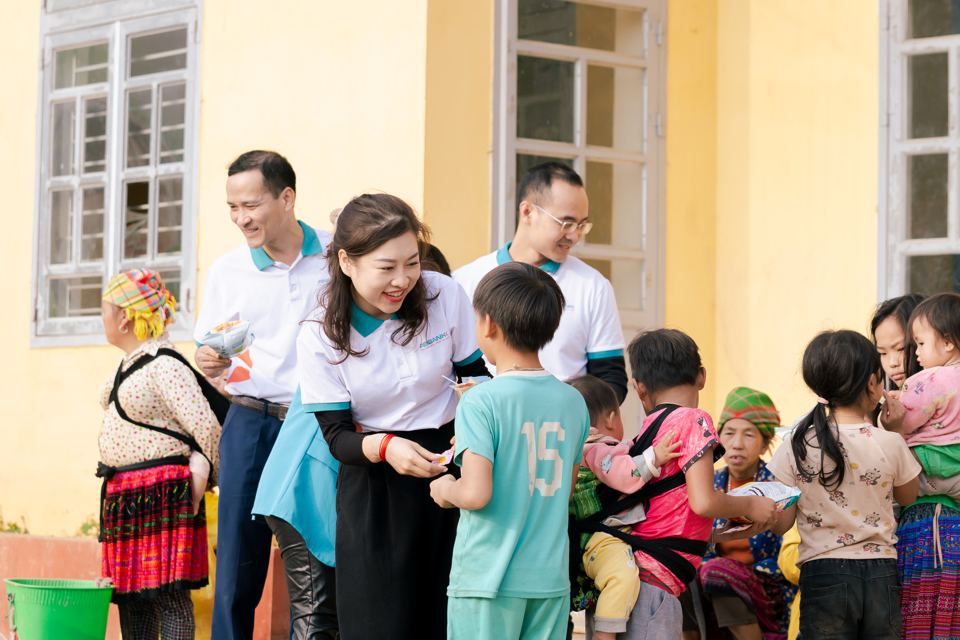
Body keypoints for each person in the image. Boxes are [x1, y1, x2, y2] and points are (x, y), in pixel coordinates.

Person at [297, 193, 491, 640]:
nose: (402, 280)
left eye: (412, 263)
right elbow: (337, 437)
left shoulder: (444, 294)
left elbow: (475, 375)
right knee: (380, 623)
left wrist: (471, 435)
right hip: (374, 482)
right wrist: (387, 447)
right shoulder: (319, 331)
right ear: (346, 262)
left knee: (448, 620)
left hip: (453, 471)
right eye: (386, 268)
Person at [193, 150, 335, 640]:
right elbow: (210, 348)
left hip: (320, 422)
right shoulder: (226, 271)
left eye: (250, 205)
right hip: (251, 420)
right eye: (232, 207)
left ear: (287, 197)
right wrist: (209, 360)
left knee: (323, 552)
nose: (240, 218)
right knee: (236, 561)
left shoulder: (338, 255)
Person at [426, 262, 589, 640]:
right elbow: (564, 490)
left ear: (488, 325)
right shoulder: (573, 402)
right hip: (549, 580)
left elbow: (475, 493)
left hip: (488, 580)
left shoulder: (480, 401)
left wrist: (445, 490)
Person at [582, 329, 778, 640]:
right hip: (652, 587)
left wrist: (721, 531)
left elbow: (666, 515)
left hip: (626, 582)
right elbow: (703, 502)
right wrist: (751, 504)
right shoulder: (693, 420)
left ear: (639, 388)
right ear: (701, 376)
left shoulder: (647, 433)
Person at [767, 330, 921, 640]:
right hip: (881, 573)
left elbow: (780, 525)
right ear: (872, 384)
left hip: (823, 574)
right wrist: (896, 432)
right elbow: (909, 495)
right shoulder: (889, 442)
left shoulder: (795, 445)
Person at [97, 269, 221, 639]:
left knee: (168, 597)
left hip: (163, 493)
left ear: (124, 316)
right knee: (131, 597)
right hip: (126, 495)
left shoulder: (165, 364)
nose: (101, 319)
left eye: (104, 310)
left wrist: (204, 484)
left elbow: (207, 427)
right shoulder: (129, 363)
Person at [453, 162, 627, 403]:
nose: (574, 235)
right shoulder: (463, 281)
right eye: (566, 223)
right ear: (527, 212)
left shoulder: (593, 286)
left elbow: (610, 379)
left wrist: (572, 419)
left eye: (581, 225)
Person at [567, 375, 682, 640]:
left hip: (580, 539)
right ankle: (604, 635)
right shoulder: (597, 447)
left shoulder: (572, 449)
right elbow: (622, 474)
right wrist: (655, 457)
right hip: (599, 538)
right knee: (624, 574)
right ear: (611, 419)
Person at [684, 387, 797, 640]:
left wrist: (730, 575)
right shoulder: (708, 483)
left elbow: (783, 552)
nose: (737, 444)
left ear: (766, 442)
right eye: (729, 433)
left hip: (767, 587)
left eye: (748, 434)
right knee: (682, 571)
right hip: (712, 581)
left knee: (717, 571)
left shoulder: (777, 484)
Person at [878, 293, 960, 638]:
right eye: (882, 353)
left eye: (912, 345)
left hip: (930, 529)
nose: (900, 360)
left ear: (947, 342)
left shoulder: (926, 382)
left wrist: (889, 425)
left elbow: (905, 423)